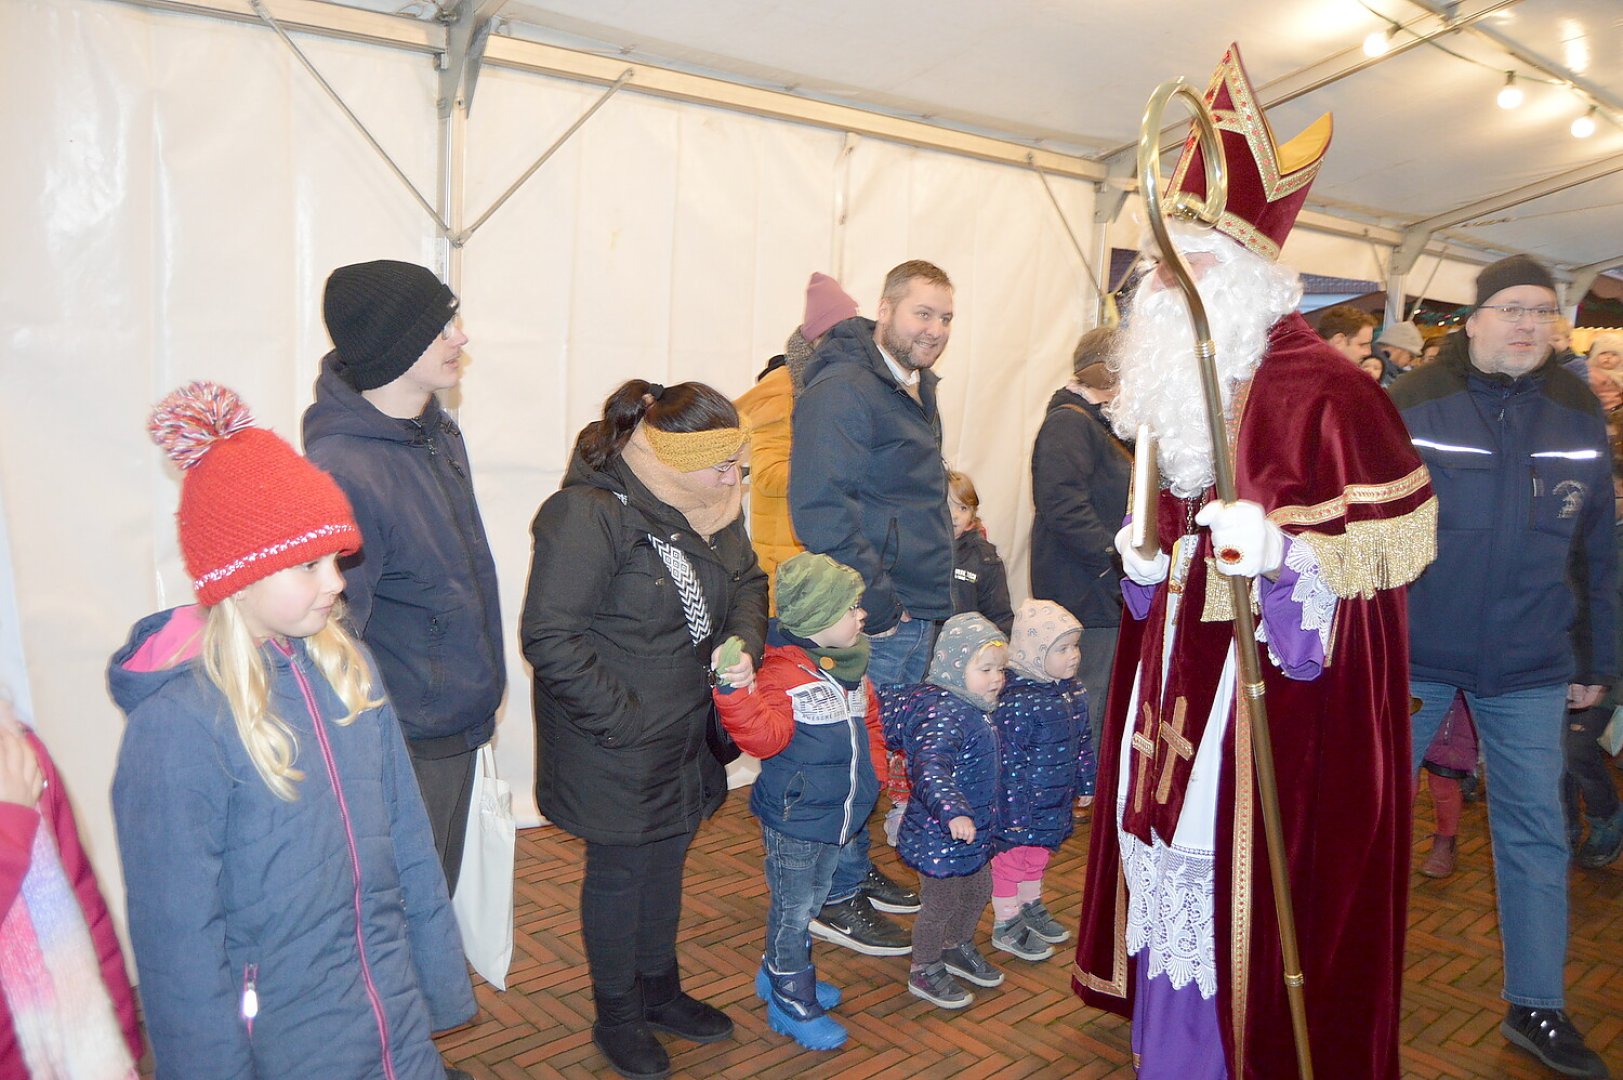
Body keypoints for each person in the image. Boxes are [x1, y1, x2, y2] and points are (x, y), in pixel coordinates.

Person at [1072, 44, 1436, 1080]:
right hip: (1171, 692)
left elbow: (1370, 584)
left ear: (1238, 277)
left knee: (1234, 885)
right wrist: (1147, 571)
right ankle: (1170, 1051)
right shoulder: (1179, 394)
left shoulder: (1327, 391)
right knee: (1167, 874)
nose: (1155, 287)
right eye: (1156, 266)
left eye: (1182, 266)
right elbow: (1171, 547)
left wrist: (1282, 561)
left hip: (1259, 704)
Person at [112, 382, 475, 1078]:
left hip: (388, 1013)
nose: (337, 582)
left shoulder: (349, 668)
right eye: (308, 564)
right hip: (282, 1040)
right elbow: (176, 940)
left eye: (337, 559)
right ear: (238, 578)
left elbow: (408, 844)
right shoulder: (179, 725)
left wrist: (433, 981)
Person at [1390, 253, 1615, 1079]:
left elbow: (1600, 550)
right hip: (1412, 656)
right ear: (1474, 316)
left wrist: (1598, 657)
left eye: (1540, 310)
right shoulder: (1411, 402)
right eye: (1509, 308)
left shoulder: (1574, 408)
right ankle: (1346, 981)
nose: (1526, 323)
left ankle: (1536, 1006)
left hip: (1531, 658)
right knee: (1373, 825)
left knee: (1535, 833)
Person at [521, 380, 767, 1080]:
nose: (735, 481)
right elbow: (551, 637)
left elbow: (748, 583)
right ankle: (617, 1016)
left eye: (737, 467)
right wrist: (625, 724)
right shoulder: (585, 514)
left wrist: (743, 644)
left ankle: (659, 991)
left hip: (686, 734)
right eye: (724, 466)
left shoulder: (708, 502)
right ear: (670, 458)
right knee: (622, 874)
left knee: (666, 862)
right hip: (616, 741)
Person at [303, 259, 505, 896]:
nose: (462, 337)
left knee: (434, 902)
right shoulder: (344, 469)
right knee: (407, 912)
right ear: (393, 343)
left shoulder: (436, 432)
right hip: (406, 735)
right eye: (443, 325)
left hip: (451, 715)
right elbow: (333, 631)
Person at [790, 260, 957, 953]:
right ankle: (829, 895)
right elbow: (820, 509)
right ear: (884, 311)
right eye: (922, 313)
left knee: (873, 756)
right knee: (849, 761)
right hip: (876, 611)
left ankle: (853, 874)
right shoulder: (844, 386)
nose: (936, 330)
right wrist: (881, 602)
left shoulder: (907, 385)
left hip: (911, 602)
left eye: (946, 318)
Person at [712, 553, 885, 1051]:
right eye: (852, 606)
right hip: (797, 819)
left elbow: (869, 724)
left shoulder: (852, 667)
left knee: (811, 899)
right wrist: (736, 692)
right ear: (817, 619)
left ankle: (778, 971)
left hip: (840, 815)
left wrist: (871, 776)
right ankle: (790, 995)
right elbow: (763, 738)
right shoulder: (784, 675)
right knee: (794, 909)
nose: (863, 614)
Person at [0, 699, 142, 1079]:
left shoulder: (18, 752)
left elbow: (83, 903)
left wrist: (121, 1037)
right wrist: (11, 825)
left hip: (84, 1056)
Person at [882, 614, 1008, 1010]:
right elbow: (930, 768)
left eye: (1000, 669)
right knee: (940, 903)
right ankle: (925, 965)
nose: (996, 678)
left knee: (979, 889)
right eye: (985, 669)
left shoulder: (975, 705)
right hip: (939, 832)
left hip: (973, 830)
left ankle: (956, 945)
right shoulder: (943, 713)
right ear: (955, 666)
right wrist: (953, 812)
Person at [1029, 325, 1132, 751]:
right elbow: (1062, 507)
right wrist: (1113, 564)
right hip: (1085, 588)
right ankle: (1076, 794)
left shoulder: (1100, 424)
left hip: (1096, 584)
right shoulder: (1069, 424)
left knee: (1095, 693)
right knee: (1085, 696)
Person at [734, 274, 860, 613]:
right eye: (843, 335)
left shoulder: (835, 386)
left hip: (821, 554)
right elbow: (769, 475)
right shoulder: (782, 391)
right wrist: (840, 463)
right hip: (786, 560)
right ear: (819, 338)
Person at [988, 599, 1094, 963]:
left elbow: (1083, 741)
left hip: (1055, 797)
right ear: (1034, 652)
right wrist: (1013, 810)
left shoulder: (1073, 691)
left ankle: (1030, 904)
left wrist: (1086, 783)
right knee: (1011, 859)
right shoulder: (1017, 701)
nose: (1073, 656)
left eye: (1074, 646)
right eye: (1061, 648)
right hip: (1020, 802)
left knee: (1038, 856)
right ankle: (1005, 922)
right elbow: (1008, 761)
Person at [1416, 694, 1478, 878]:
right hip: (1416, 683)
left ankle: (1445, 841)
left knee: (1443, 781)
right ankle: (1392, 842)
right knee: (1402, 781)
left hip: (1459, 692)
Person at [948, 470, 1014, 635]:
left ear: (972, 513)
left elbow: (999, 617)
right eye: (948, 505)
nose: (955, 515)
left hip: (967, 649)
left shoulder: (985, 558)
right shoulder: (919, 550)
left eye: (963, 508)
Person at [1584, 332, 1623, 414]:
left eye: (1614, 354)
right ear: (1594, 356)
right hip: (1596, 411)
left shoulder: (1620, 375)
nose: (1608, 357)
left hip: (1617, 412)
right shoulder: (1590, 373)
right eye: (1603, 353)